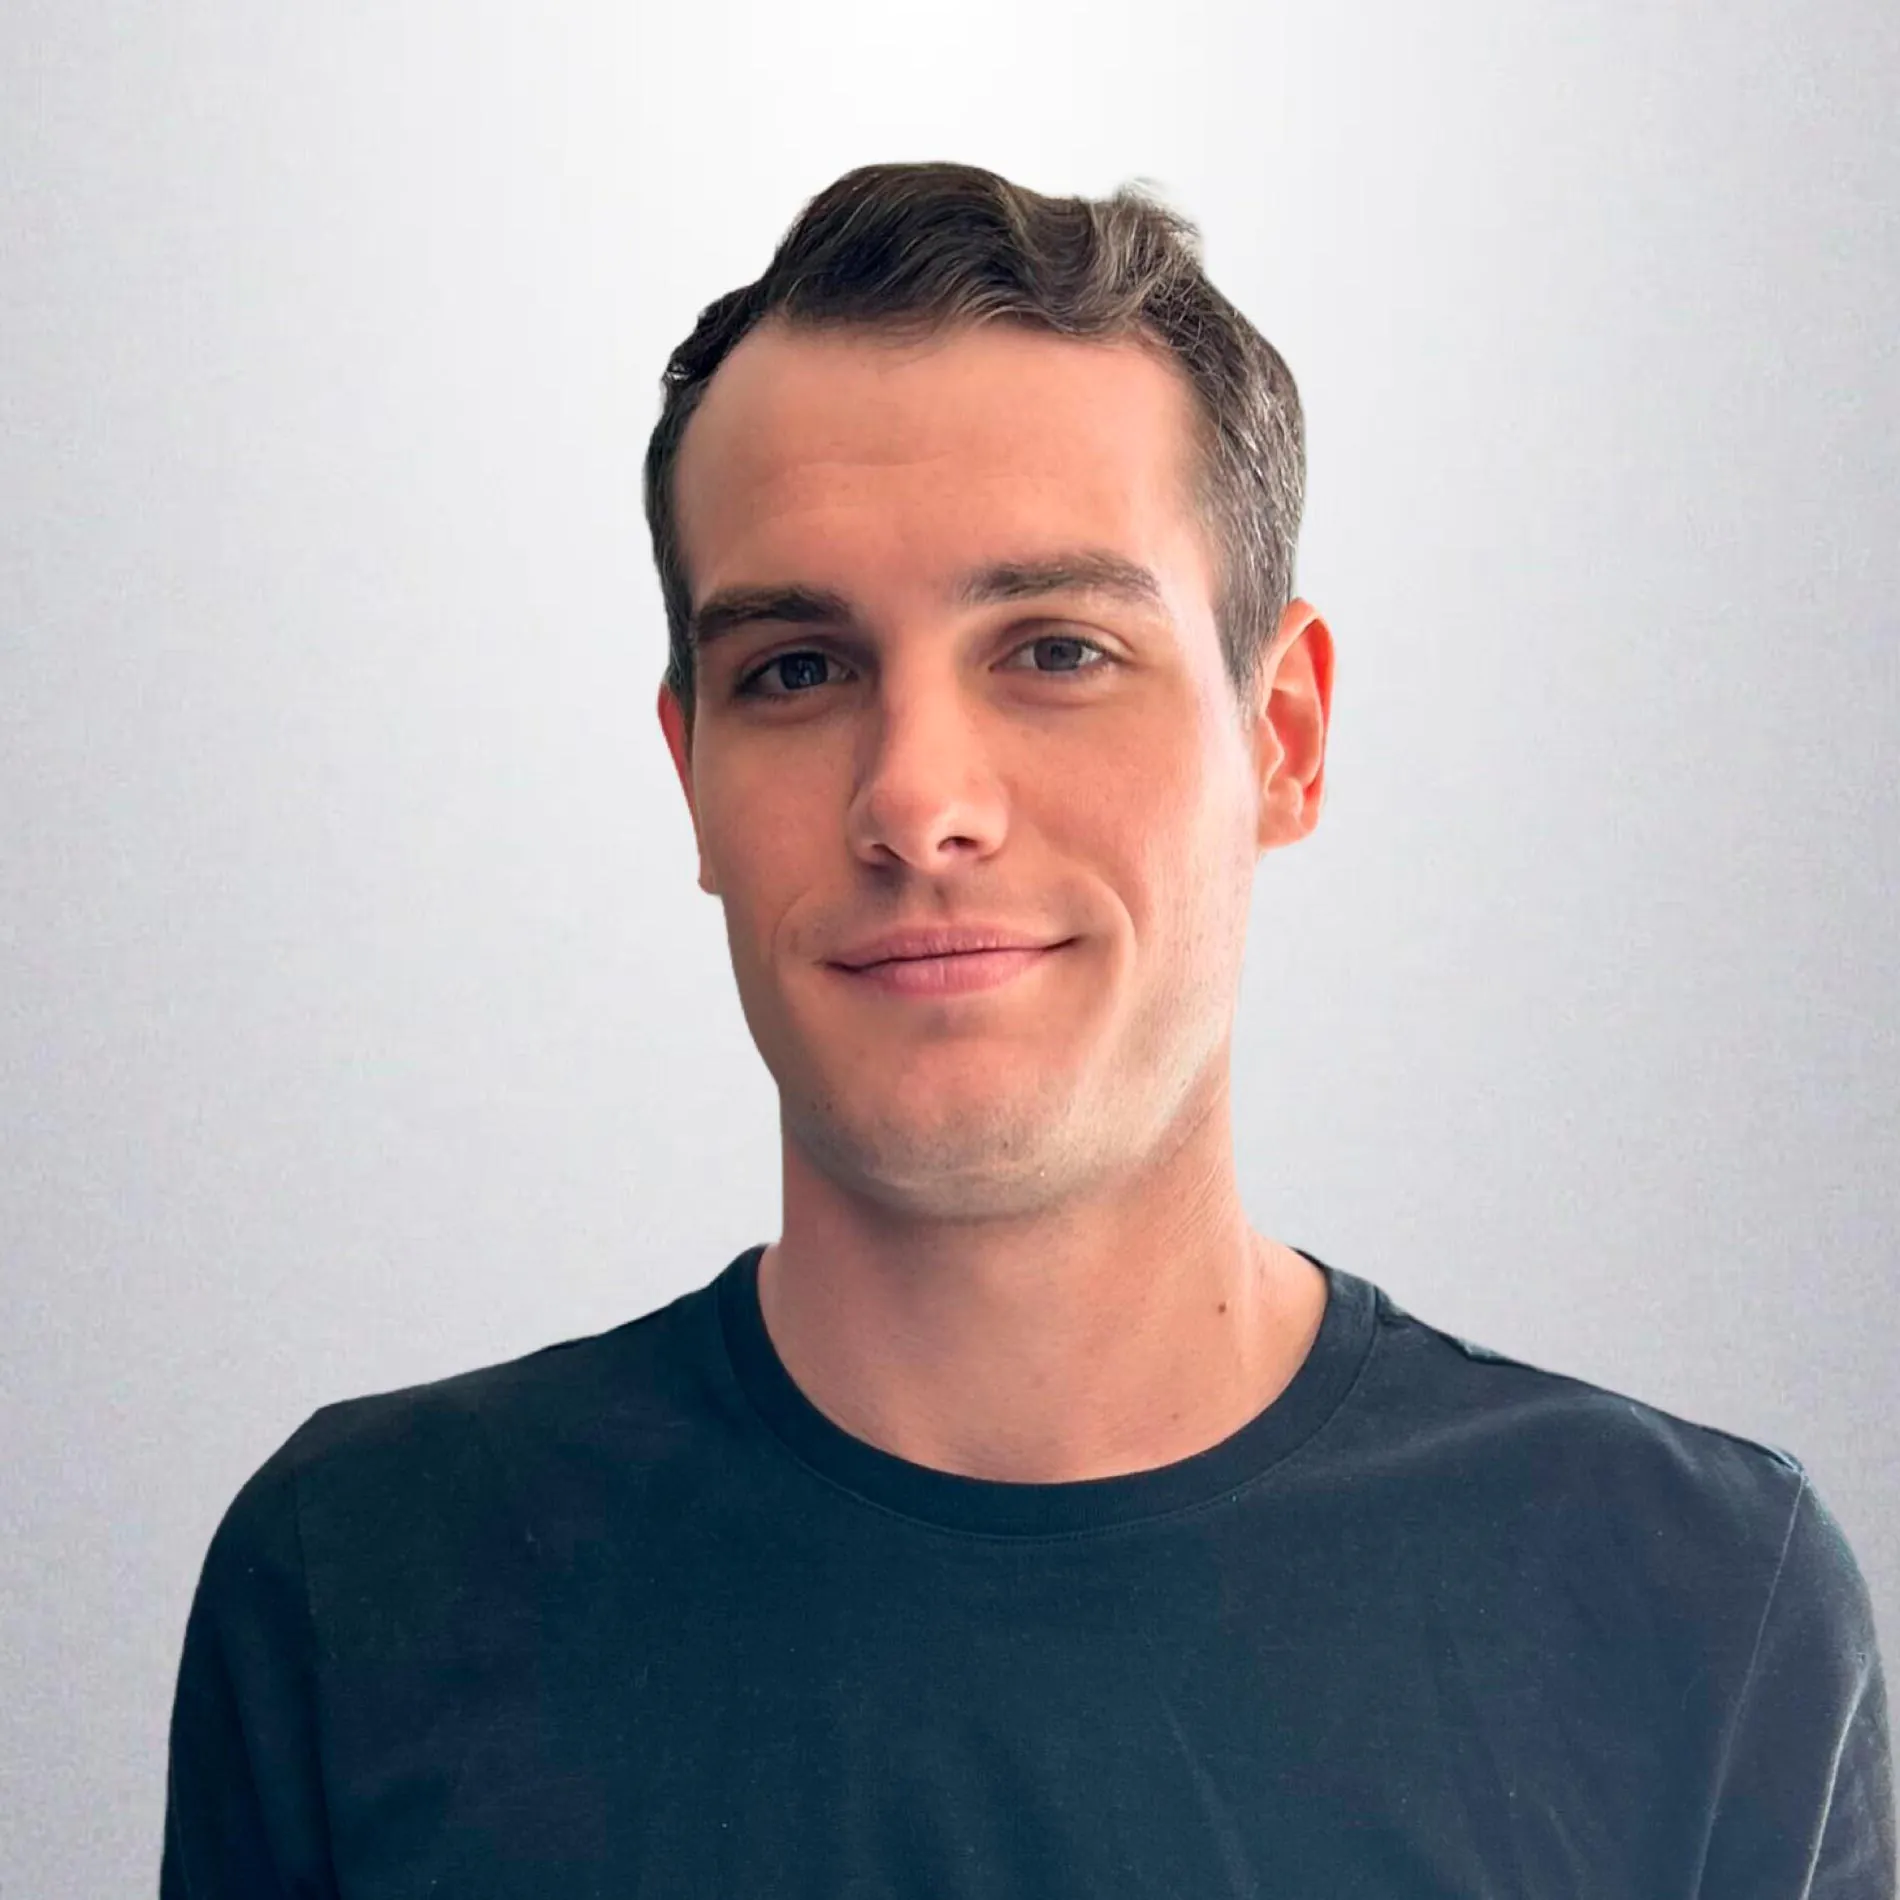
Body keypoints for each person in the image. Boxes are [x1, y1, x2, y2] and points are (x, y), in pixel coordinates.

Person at [161, 159, 1894, 1897]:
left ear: (1282, 738)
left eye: (1056, 651)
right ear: (692, 781)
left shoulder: (1694, 1613)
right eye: (796, 670)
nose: (919, 803)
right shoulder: (359, 1588)